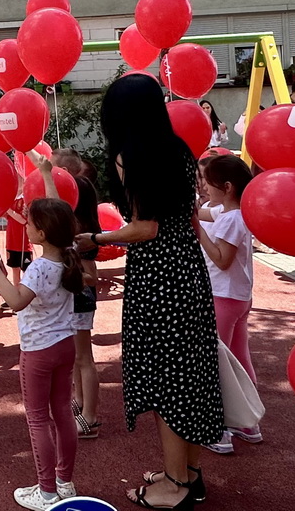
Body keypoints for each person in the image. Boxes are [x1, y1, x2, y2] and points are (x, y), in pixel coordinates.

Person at [81, 73, 223, 509]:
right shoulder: (179, 149)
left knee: (166, 381)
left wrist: (97, 240)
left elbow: (146, 227)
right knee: (191, 375)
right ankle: (189, 473)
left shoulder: (131, 154)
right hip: (189, 272)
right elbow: (182, 213)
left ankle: (174, 486)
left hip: (159, 278)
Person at [0, 198, 84, 511]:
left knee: (38, 418)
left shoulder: (39, 267)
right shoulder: (70, 256)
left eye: (30, 223)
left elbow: (15, 301)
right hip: (65, 345)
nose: (25, 226)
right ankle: (64, 481)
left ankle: (46, 491)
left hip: (38, 351)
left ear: (42, 233)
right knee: (63, 412)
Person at [197, 155, 260, 454]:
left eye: (209, 185)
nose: (205, 189)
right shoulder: (234, 211)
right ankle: (248, 423)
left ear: (227, 187)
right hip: (239, 297)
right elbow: (204, 212)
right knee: (239, 357)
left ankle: (218, 431)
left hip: (223, 296)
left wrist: (199, 233)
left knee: (215, 364)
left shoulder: (232, 219)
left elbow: (222, 260)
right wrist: (194, 215)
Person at [69, 175, 102, 441]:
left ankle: (90, 416)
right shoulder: (75, 228)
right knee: (76, 358)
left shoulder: (82, 235)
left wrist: (64, 276)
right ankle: (79, 402)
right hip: (73, 300)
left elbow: (91, 276)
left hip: (81, 300)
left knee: (84, 358)